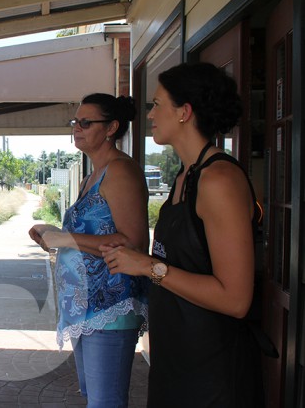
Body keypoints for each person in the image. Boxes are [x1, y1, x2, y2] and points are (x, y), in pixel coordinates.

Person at [102, 62, 264, 407]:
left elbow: (235, 300)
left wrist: (148, 267)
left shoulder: (218, 180)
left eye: (158, 104)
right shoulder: (184, 177)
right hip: (177, 359)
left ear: (184, 112)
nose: (151, 114)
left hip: (213, 373)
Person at [29, 93, 149, 408]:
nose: (77, 128)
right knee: (93, 397)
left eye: (86, 122)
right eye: (75, 122)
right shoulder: (92, 174)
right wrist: (52, 235)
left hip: (110, 306)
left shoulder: (120, 171)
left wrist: (65, 239)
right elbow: (88, 235)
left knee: (105, 402)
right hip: (85, 308)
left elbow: (134, 244)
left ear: (111, 128)